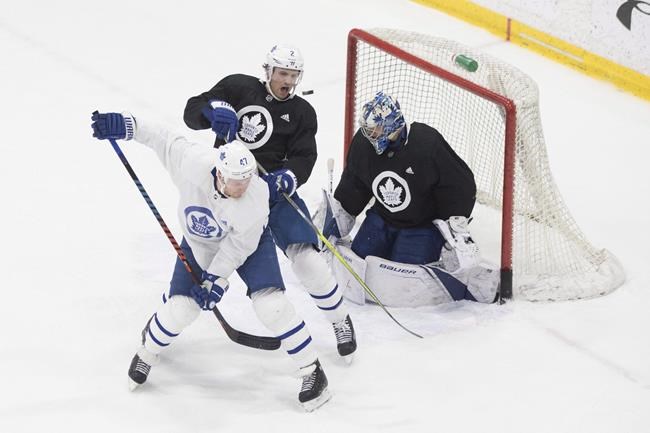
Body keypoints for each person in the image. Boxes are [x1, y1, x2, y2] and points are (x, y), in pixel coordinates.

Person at [91, 111, 330, 411]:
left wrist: (215, 280)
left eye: (247, 179)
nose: (242, 188)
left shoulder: (255, 199)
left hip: (249, 245)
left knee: (272, 306)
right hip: (199, 242)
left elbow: (237, 248)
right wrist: (129, 125)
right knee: (182, 309)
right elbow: (163, 137)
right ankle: (147, 352)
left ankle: (312, 371)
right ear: (219, 174)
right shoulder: (193, 163)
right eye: (236, 182)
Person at [183, 43, 356, 361]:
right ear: (268, 71)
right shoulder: (238, 87)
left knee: (309, 260)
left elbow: (304, 156)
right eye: (282, 73)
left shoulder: (303, 113)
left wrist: (289, 177)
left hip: (273, 193)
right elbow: (192, 112)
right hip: (226, 192)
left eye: (293, 75)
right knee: (197, 259)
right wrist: (211, 111)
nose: (288, 81)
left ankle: (339, 320)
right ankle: (165, 320)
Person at [317, 91, 499, 306]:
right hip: (381, 217)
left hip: (421, 225)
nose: (369, 134)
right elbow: (355, 182)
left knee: (404, 280)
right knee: (359, 260)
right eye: (367, 128)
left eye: (375, 129)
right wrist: (340, 216)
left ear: (392, 125)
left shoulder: (426, 143)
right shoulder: (364, 143)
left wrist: (454, 226)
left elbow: (459, 184)